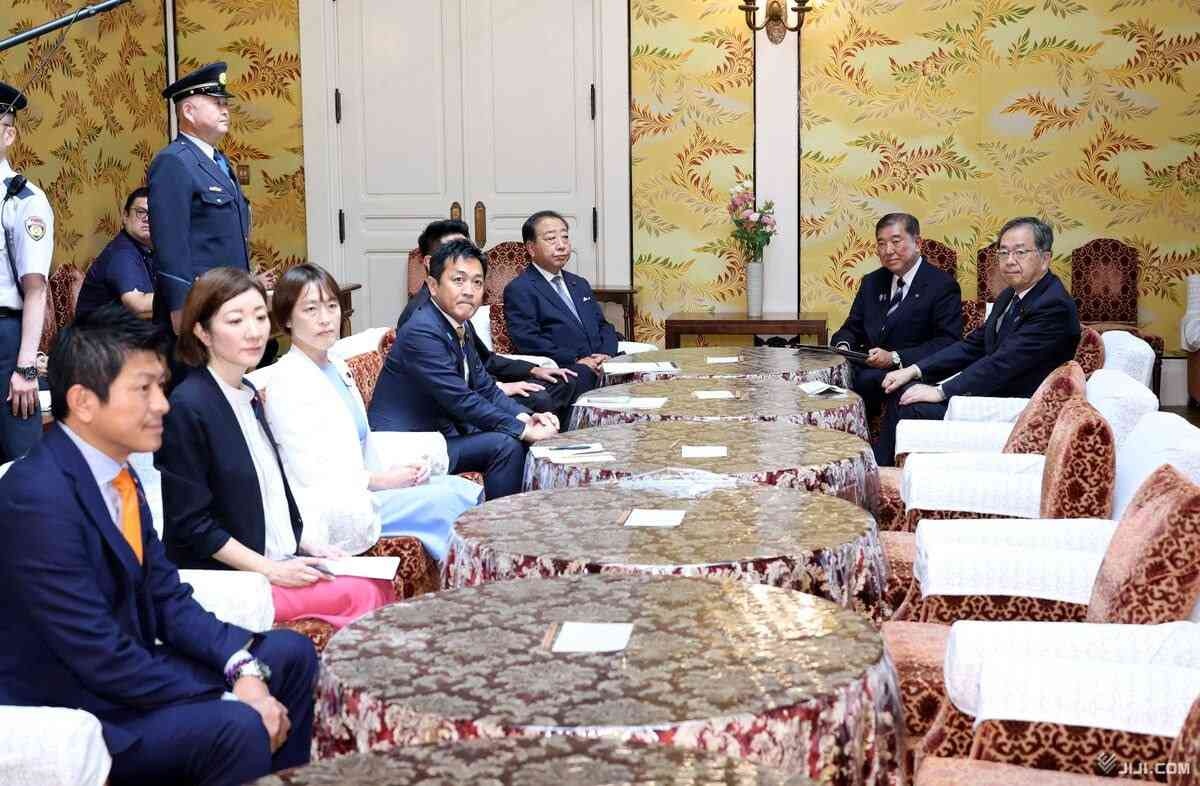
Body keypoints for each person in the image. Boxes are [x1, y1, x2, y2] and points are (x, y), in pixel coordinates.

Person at [0, 303, 317, 785]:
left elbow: (167, 598)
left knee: (290, 656)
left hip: (130, 674)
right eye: (143, 389)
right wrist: (231, 693)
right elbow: (96, 653)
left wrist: (241, 665)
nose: (163, 405)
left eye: (161, 387)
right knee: (237, 724)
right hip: (76, 708)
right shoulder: (37, 498)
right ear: (84, 402)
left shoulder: (118, 473)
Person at [156, 267, 393, 629]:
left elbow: (270, 490)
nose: (254, 331)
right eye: (235, 320)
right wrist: (272, 570)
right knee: (364, 594)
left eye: (260, 316)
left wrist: (304, 542)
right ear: (202, 332)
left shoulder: (248, 392)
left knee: (375, 581)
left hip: (273, 557)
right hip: (226, 580)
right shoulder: (189, 406)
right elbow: (193, 525)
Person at [265, 263, 483, 561]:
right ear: (287, 319)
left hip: (361, 485)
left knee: (457, 487)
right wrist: (383, 481)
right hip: (333, 505)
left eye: (332, 306)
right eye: (311, 309)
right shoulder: (287, 381)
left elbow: (361, 443)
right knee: (448, 500)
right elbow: (313, 473)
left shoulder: (336, 365)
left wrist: (403, 468)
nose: (325, 319)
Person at [875, 216, 1081, 465]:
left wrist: (941, 392)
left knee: (909, 404)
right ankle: (880, 470)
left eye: (1020, 252)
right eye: (1003, 253)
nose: (1010, 261)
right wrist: (914, 370)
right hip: (995, 391)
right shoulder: (1012, 295)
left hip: (1013, 409)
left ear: (1045, 258)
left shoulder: (1052, 305)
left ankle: (882, 474)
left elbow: (1002, 363)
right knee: (904, 389)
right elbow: (973, 345)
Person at [369, 240, 559, 499]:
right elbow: (461, 400)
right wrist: (523, 430)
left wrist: (526, 418)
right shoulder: (422, 331)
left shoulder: (459, 323)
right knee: (506, 445)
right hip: (407, 445)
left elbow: (485, 388)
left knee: (517, 431)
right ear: (433, 285)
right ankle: (497, 523)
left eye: (477, 282)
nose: (469, 291)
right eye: (458, 280)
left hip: (440, 433)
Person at [148, 61, 275, 374]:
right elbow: (170, 242)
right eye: (216, 103)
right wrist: (181, 310)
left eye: (225, 104)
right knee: (198, 390)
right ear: (189, 111)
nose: (225, 110)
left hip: (228, 301)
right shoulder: (174, 162)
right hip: (198, 310)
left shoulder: (218, 161)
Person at [400, 219, 579, 421]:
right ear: (429, 263)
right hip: (455, 405)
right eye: (453, 250)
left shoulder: (456, 307)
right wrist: (501, 388)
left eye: (466, 249)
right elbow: (450, 389)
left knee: (563, 382)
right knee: (539, 399)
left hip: (483, 386)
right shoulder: (419, 318)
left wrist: (533, 370)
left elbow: (485, 359)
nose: (463, 257)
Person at [830, 213, 961, 434]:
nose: (888, 250)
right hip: (865, 371)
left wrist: (895, 357)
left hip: (911, 374)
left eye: (896, 241)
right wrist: (844, 348)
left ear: (917, 243)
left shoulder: (942, 286)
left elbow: (948, 343)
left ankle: (878, 455)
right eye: (881, 243)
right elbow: (852, 328)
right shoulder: (872, 282)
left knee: (890, 391)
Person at [503, 210, 621, 392]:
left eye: (565, 237)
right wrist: (576, 359)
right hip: (567, 369)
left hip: (601, 363)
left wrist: (606, 354)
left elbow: (603, 326)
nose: (562, 245)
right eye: (551, 239)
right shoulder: (520, 289)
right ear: (531, 248)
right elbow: (528, 340)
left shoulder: (579, 283)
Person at [0, 81, 52, 463]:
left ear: (8, 134)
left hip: (6, 343)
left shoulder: (23, 200)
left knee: (22, 461)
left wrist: (26, 368)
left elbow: (36, 289)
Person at [76, 187, 156, 320]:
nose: (147, 218)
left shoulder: (150, 248)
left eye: (154, 213)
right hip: (98, 332)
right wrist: (183, 298)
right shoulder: (122, 252)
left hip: (124, 329)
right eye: (140, 212)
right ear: (125, 216)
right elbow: (139, 307)